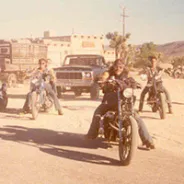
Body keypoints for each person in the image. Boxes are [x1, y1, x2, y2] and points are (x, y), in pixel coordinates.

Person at [85, 59, 155, 149]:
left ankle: (148, 141)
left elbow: (132, 80)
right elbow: (103, 78)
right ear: (113, 67)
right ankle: (92, 134)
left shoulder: (126, 74)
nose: (118, 68)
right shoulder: (108, 73)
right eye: (116, 67)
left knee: (137, 118)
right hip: (110, 100)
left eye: (121, 67)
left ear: (123, 67)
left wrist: (136, 84)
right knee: (98, 113)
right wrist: (103, 81)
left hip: (124, 101)